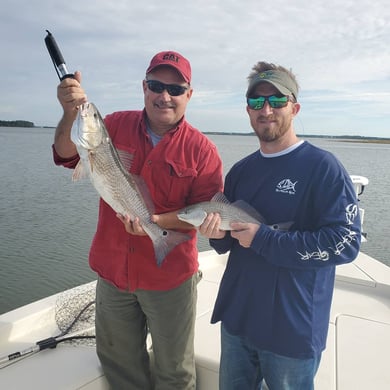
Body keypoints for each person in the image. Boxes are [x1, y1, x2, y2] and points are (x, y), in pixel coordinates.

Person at [52, 51, 223, 389]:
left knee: (174, 371)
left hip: (170, 280)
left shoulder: (203, 151)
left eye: (175, 89)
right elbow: (67, 156)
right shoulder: (113, 125)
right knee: (120, 366)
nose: (164, 96)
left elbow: (202, 214)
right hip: (114, 275)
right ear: (144, 88)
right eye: (156, 85)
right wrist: (70, 113)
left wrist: (155, 223)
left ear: (189, 95)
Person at [199, 62, 361, 390]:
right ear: (248, 110)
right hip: (238, 319)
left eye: (277, 100)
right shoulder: (241, 172)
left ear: (295, 107)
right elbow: (231, 242)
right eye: (257, 102)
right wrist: (217, 236)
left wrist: (265, 238)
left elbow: (346, 242)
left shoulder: (324, 168)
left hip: (291, 329)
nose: (267, 109)